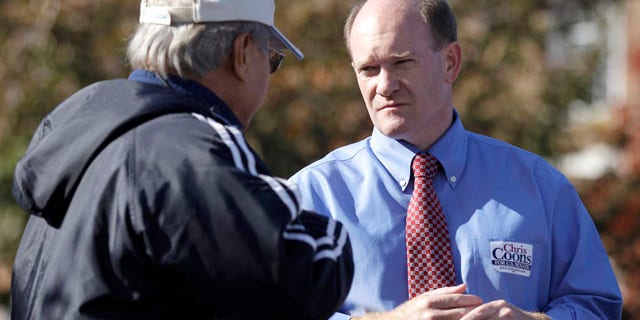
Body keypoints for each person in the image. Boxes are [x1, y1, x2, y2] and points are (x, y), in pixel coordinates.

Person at [10, 0, 353, 319]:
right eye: (272, 59)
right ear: (244, 52)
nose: (269, 73)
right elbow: (303, 278)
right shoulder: (191, 147)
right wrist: (327, 226)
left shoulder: (89, 130)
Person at [289, 0, 622, 319]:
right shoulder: (312, 198)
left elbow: (598, 306)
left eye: (401, 62)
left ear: (450, 63)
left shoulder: (539, 188)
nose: (385, 85)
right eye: (369, 69)